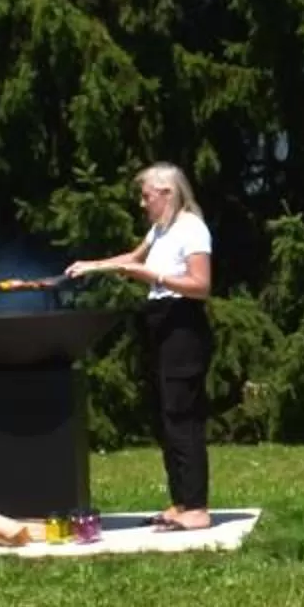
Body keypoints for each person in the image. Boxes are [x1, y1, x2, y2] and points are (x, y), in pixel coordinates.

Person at [67, 163, 214, 529]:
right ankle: (180, 502)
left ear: (167, 193)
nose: (141, 202)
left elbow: (201, 284)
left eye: (146, 195)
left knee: (182, 416)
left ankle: (197, 507)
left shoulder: (192, 228)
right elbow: (133, 259)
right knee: (164, 415)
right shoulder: (159, 230)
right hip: (159, 322)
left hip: (184, 324)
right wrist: (93, 266)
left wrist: (155, 276)